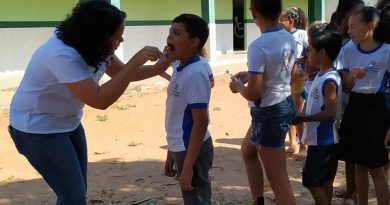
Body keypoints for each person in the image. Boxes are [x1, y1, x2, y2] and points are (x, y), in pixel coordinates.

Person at [7, 1, 170, 204]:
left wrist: (160, 67)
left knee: (77, 192)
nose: (122, 39)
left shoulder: (94, 46)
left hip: (68, 122)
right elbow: (99, 99)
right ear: (99, 35)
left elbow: (121, 73)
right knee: (72, 196)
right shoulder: (60, 55)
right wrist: (135, 61)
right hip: (36, 128)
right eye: (117, 36)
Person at [229, 0, 296, 204]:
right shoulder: (288, 37)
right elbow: (287, 72)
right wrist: (251, 75)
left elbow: (254, 94)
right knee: (248, 152)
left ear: (253, 13)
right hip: (282, 102)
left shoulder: (258, 46)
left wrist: (238, 86)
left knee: (278, 179)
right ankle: (258, 200)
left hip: (268, 111)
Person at [339, 6, 390, 205]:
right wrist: (351, 75)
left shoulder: (386, 51)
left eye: (352, 27)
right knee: (359, 165)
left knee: (376, 168)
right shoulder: (349, 50)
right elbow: (346, 86)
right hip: (355, 107)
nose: (348, 31)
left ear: (369, 26)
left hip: (377, 110)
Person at [162, 13, 214, 205]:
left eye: (176, 33)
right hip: (181, 147)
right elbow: (177, 116)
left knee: (197, 200)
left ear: (193, 42)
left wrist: (188, 167)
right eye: (170, 32)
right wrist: (170, 153)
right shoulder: (179, 67)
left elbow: (200, 123)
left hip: (192, 149)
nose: (169, 38)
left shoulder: (195, 74)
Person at [294, 30, 342, 205]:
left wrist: (304, 118)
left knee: (311, 179)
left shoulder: (329, 79)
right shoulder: (320, 75)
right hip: (321, 139)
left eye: (311, 50)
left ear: (322, 53)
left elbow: (330, 113)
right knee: (324, 180)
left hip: (323, 140)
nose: (308, 54)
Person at [279, 7, 308, 155]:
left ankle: (302, 146)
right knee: (289, 111)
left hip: (299, 77)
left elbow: (311, 53)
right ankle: (292, 144)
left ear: (291, 21)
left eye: (281, 19)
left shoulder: (302, 34)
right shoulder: (281, 35)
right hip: (285, 77)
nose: (279, 21)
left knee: (297, 112)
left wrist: (302, 61)